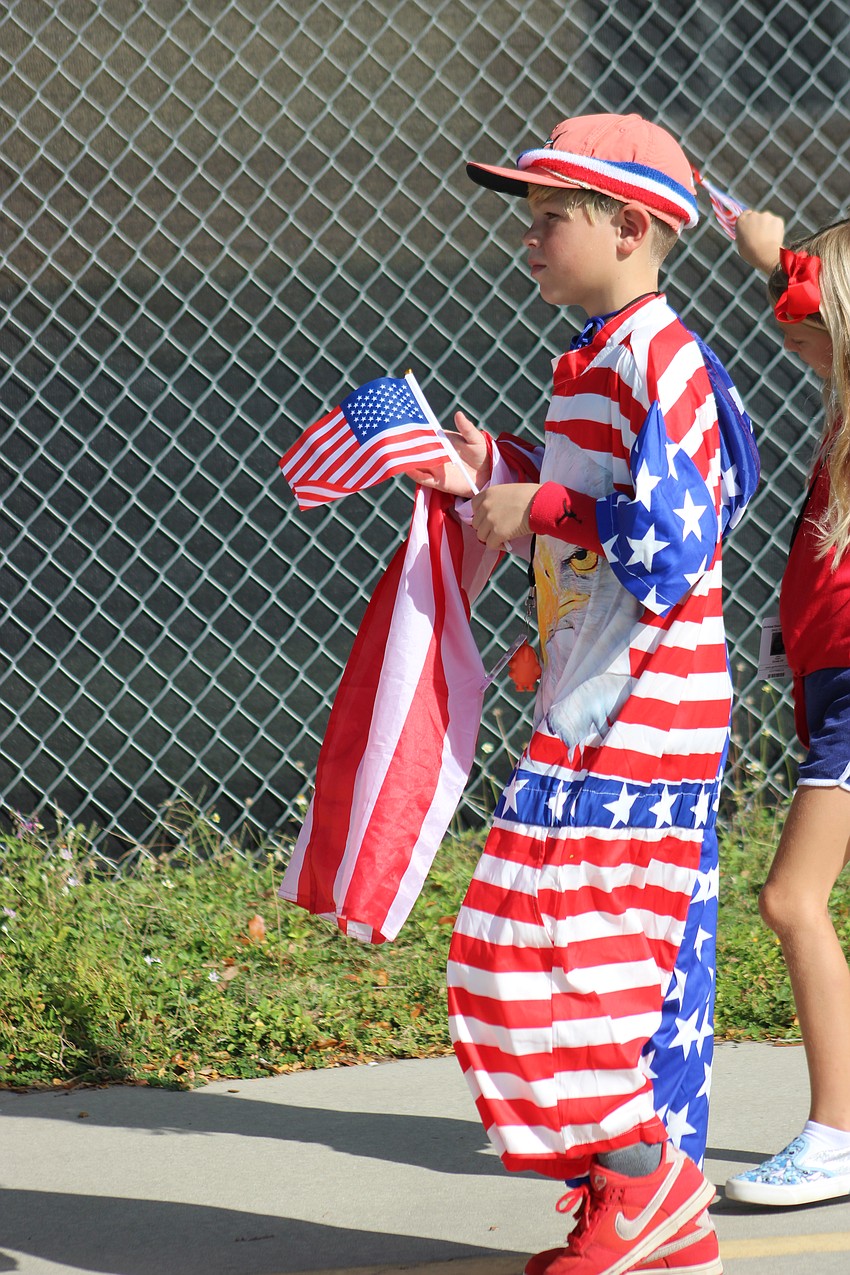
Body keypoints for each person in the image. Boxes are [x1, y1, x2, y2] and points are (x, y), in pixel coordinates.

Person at [408, 113, 757, 1275]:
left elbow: (676, 542)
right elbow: (596, 503)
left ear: (630, 228)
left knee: (556, 952)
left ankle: (645, 1186)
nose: (529, 238)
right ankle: (647, 1196)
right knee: (561, 953)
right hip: (594, 706)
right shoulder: (601, 356)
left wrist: (542, 506)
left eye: (549, 216)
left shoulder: (660, 357)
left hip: (643, 715)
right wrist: (504, 471)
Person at [723, 210, 850, 1208]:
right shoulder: (839, 420)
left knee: (789, 899)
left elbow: (807, 284)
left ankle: (836, 1136)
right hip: (826, 683)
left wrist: (778, 254)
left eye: (804, 323)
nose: (787, 334)